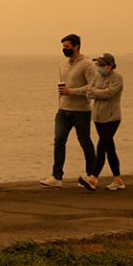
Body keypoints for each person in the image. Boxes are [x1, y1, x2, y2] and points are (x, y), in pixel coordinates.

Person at [39, 34, 98, 187]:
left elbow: (93, 86)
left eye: (67, 47)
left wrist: (71, 92)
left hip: (81, 110)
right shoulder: (62, 64)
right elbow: (62, 87)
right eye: (63, 47)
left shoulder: (87, 64)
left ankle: (90, 176)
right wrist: (60, 103)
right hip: (63, 110)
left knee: (85, 141)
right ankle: (57, 177)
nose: (64, 49)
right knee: (59, 141)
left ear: (76, 46)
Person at [79, 53, 125, 191]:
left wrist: (96, 91)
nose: (99, 67)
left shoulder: (117, 78)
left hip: (112, 118)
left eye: (102, 65)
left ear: (110, 66)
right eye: (98, 64)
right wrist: (99, 91)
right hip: (98, 117)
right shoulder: (97, 77)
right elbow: (89, 93)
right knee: (110, 149)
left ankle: (93, 179)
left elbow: (109, 94)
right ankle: (118, 180)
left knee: (101, 147)